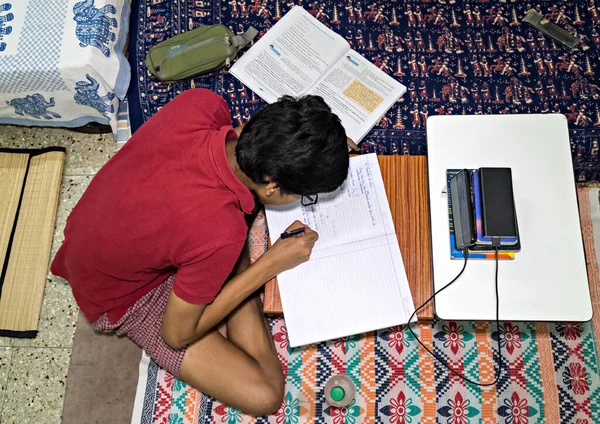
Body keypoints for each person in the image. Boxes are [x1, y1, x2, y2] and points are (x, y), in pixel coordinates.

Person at [51, 89, 355, 415]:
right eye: (305, 194)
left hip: (91, 228)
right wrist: (270, 264)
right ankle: (236, 276)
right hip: (119, 296)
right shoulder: (219, 233)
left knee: (223, 241)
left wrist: (316, 142)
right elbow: (176, 334)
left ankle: (228, 277)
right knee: (265, 395)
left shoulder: (202, 104)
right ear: (272, 186)